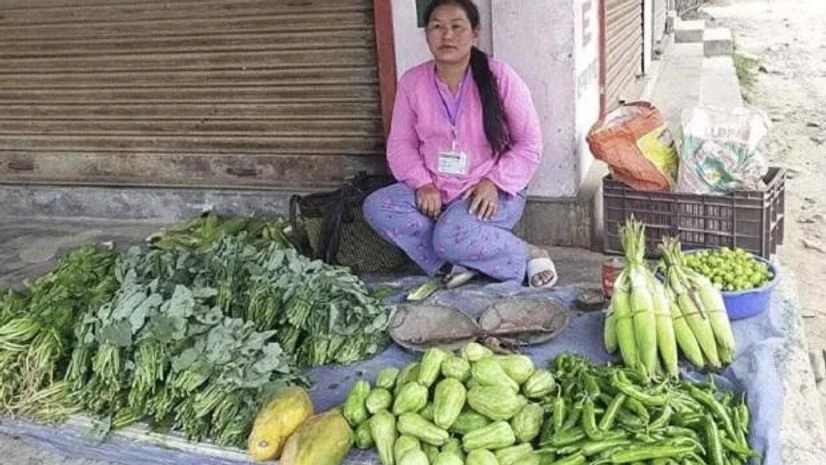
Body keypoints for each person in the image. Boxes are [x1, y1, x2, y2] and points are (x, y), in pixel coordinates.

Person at [363, 0, 557, 289]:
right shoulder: (412, 82)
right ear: (426, 34)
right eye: (437, 27)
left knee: (449, 235)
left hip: (489, 189)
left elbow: (529, 144)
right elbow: (400, 145)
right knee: (377, 207)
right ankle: (452, 262)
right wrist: (422, 183)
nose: (447, 35)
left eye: (457, 26)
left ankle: (527, 254)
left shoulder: (500, 76)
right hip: (436, 188)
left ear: (475, 33)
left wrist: (494, 182)